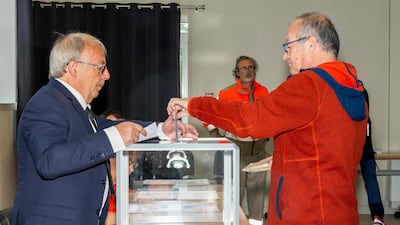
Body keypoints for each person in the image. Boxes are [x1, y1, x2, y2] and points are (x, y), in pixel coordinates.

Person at [167, 12, 368, 224]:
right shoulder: (352, 85)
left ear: (311, 44)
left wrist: (193, 105)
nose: (285, 55)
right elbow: (330, 145)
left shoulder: (308, 84)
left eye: (288, 46)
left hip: (306, 213)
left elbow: (250, 119)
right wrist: (286, 156)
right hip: (340, 211)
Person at [12, 32, 198, 225]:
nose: (107, 75)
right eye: (100, 68)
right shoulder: (46, 102)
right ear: (74, 68)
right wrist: (112, 138)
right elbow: (49, 160)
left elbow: (108, 127)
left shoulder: (74, 105)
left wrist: (161, 130)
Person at [205, 55, 269, 225]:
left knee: (257, 199)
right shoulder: (227, 93)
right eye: (243, 68)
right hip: (237, 152)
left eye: (251, 67)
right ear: (237, 72)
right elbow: (210, 115)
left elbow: (269, 116)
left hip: (259, 152)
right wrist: (217, 137)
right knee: (235, 197)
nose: (248, 71)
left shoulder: (263, 91)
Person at [361, 89, 385, 225]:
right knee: (371, 181)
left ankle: (377, 216)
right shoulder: (367, 120)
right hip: (366, 153)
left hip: (358, 153)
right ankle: (378, 216)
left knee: (345, 182)